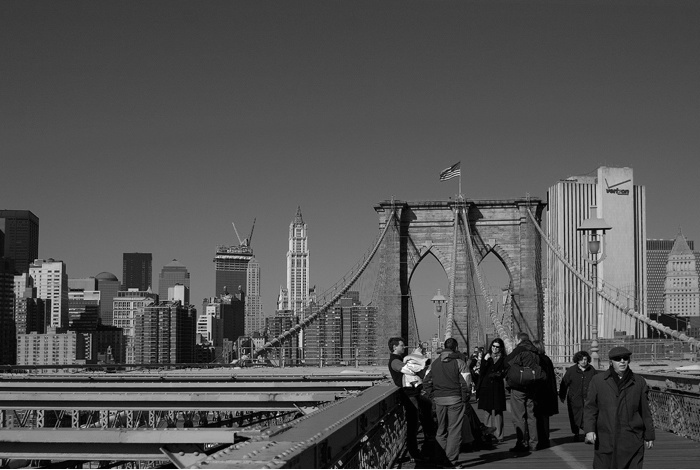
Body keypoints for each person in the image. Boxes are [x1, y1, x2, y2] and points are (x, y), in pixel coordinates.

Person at [583, 346, 655, 468]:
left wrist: (650, 435)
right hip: (606, 437)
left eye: (625, 358)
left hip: (632, 438)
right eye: (618, 359)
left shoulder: (638, 382)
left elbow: (645, 411)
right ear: (611, 362)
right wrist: (589, 430)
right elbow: (590, 408)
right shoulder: (598, 381)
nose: (622, 361)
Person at [423, 337, 471, 466]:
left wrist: (432, 396)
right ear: (455, 348)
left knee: (441, 430)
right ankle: (450, 461)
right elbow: (467, 384)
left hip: (439, 400)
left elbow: (426, 382)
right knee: (454, 431)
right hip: (455, 400)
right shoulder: (460, 363)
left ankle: (439, 460)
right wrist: (465, 398)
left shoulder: (434, 363)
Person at [388, 337, 435, 461]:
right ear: (394, 347)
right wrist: (419, 361)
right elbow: (408, 370)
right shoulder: (394, 361)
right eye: (402, 345)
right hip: (408, 395)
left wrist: (416, 354)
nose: (404, 347)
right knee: (413, 424)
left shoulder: (398, 359)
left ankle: (428, 440)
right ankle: (415, 453)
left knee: (426, 406)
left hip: (413, 393)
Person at [504, 332, 543, 452]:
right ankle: (534, 443)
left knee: (519, 416)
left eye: (515, 339)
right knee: (531, 415)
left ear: (518, 339)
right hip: (532, 387)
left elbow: (506, 362)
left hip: (519, 387)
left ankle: (521, 442)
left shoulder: (519, 349)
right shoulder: (535, 352)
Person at [559, 350, 598, 442]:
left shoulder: (592, 370)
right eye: (581, 360)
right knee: (575, 416)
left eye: (585, 359)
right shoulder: (572, 370)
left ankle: (587, 432)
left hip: (588, 398)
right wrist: (562, 395)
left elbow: (597, 383)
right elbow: (564, 383)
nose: (583, 361)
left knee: (588, 415)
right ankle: (576, 432)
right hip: (574, 398)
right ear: (577, 360)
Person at [476, 338, 507, 442]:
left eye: (497, 347)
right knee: (487, 411)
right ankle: (488, 435)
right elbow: (482, 372)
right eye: (493, 346)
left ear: (501, 348)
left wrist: (500, 374)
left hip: (497, 386)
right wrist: (485, 360)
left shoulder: (504, 358)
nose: (494, 348)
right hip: (487, 387)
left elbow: (505, 371)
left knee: (498, 411)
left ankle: (499, 435)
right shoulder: (486, 356)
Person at [532, 339, 558, 450]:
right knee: (545, 418)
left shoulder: (537, 360)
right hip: (547, 393)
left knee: (537, 418)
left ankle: (539, 441)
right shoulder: (547, 359)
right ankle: (545, 440)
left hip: (539, 393)